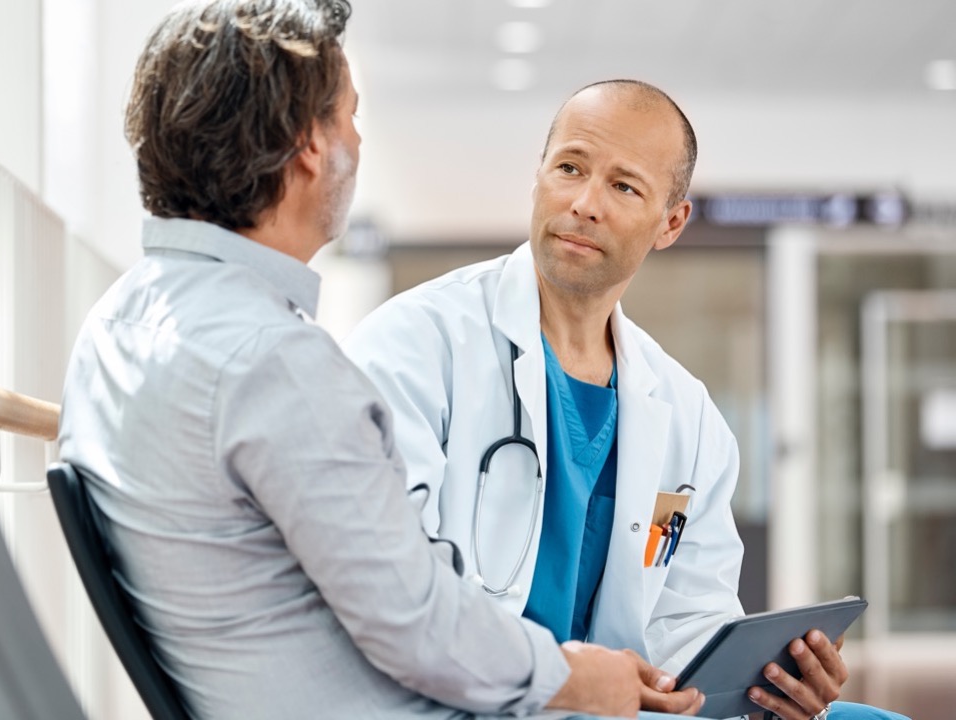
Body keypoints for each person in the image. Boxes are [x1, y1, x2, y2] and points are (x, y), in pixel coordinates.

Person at [59, 3, 703, 719]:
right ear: (309, 147)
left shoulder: (117, 322)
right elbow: (420, 626)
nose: (357, 143)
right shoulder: (274, 362)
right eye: (350, 117)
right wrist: (576, 676)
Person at [343, 80, 907, 720]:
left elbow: (687, 618)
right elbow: (390, 583)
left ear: (671, 222)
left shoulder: (687, 416)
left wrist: (767, 683)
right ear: (538, 178)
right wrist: (555, 676)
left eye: (624, 186)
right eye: (570, 168)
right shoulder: (417, 343)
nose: (584, 203)